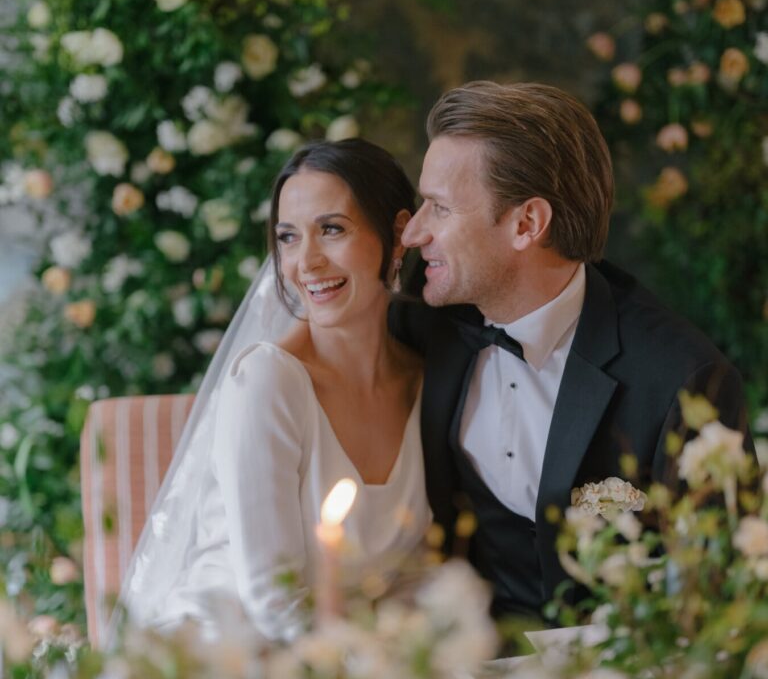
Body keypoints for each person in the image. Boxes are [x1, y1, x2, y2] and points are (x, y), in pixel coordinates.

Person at [391, 80, 752, 621]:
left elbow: (714, 597)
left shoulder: (682, 380)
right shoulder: (431, 307)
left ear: (527, 224)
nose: (414, 232)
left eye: (439, 208)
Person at [119, 139, 429, 640]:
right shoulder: (270, 381)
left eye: (331, 230)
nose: (305, 262)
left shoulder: (424, 381)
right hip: (231, 663)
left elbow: (416, 578)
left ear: (397, 235)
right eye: (288, 237)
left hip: (351, 664)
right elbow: (273, 601)